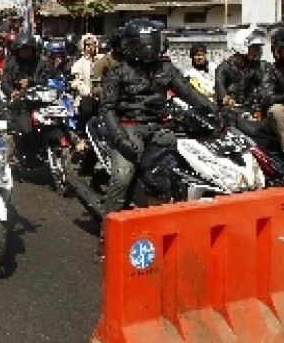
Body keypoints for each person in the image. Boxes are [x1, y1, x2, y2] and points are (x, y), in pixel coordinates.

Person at [99, 18, 217, 252]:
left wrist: (215, 112)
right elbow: (107, 109)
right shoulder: (117, 72)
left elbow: (191, 94)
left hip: (161, 129)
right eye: (143, 43)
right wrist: (121, 138)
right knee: (122, 178)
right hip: (128, 128)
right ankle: (107, 238)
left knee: (189, 164)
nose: (148, 47)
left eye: (151, 42)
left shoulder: (166, 69)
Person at [261, 26, 284, 173]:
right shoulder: (272, 70)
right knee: (277, 110)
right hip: (280, 118)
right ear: (278, 50)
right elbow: (266, 97)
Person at [1, 33, 40, 164]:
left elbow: (50, 78)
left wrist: (31, 82)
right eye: (23, 49)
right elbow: (4, 82)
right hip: (21, 103)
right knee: (26, 128)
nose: (26, 52)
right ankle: (26, 152)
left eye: (28, 48)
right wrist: (11, 92)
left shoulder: (41, 62)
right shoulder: (11, 63)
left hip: (42, 101)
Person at [215, 28, 266, 110]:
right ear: (242, 46)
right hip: (231, 112)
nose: (256, 51)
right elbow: (220, 88)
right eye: (253, 47)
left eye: (257, 48)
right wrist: (227, 98)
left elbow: (265, 86)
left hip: (253, 110)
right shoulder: (224, 68)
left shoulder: (258, 67)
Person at [70, 34, 101, 131]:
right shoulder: (79, 63)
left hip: (104, 94)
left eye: (93, 44)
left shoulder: (103, 59)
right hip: (86, 95)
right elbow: (76, 82)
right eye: (88, 45)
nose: (91, 47)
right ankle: (83, 134)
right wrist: (90, 91)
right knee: (87, 110)